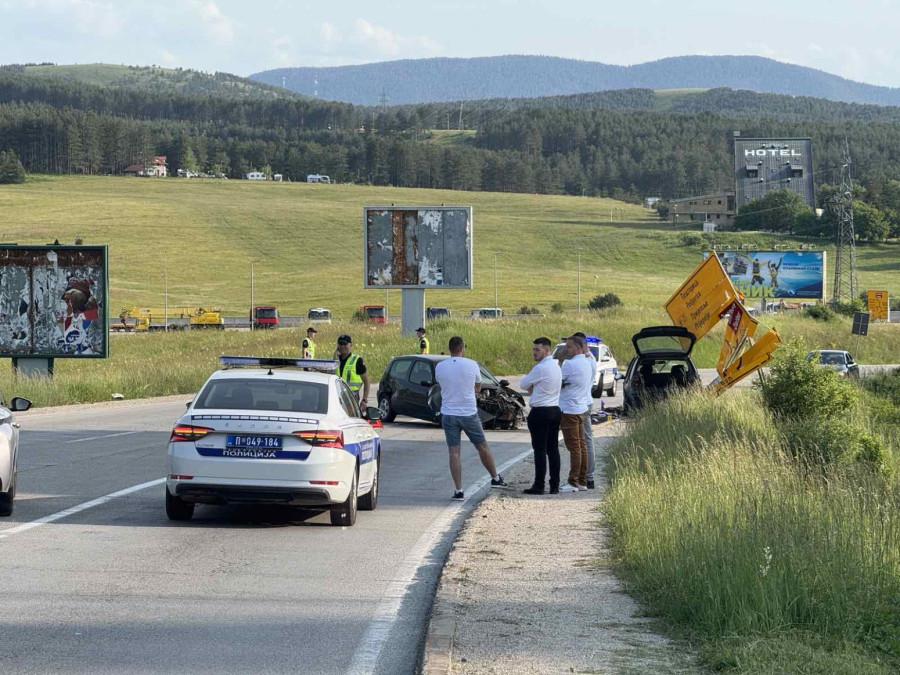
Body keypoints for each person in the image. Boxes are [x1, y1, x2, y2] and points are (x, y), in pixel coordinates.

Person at [435, 336, 509, 500]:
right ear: (462, 348)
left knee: (454, 452)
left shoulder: (440, 366)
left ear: (450, 349)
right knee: (482, 447)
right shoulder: (472, 364)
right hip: (468, 412)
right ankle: (495, 477)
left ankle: (459, 490)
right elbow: (478, 386)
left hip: (449, 413)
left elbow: (441, 385)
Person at [519, 337, 562, 495]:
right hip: (555, 410)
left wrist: (532, 384)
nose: (534, 352)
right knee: (553, 449)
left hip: (541, 412)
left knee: (540, 450)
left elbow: (523, 384)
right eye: (533, 349)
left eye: (537, 350)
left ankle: (539, 484)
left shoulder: (540, 368)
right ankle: (554, 485)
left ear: (546, 350)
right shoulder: (556, 366)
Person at [558, 334, 593, 493]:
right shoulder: (587, 361)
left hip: (569, 409)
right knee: (582, 445)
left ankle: (573, 482)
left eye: (569, 347)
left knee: (574, 447)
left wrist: (559, 361)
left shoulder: (569, 364)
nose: (566, 350)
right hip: (581, 408)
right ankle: (582, 481)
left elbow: (556, 381)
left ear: (579, 347)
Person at [573, 332, 597, 490]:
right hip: (586, 401)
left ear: (581, 346)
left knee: (583, 441)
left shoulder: (586, 360)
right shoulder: (591, 359)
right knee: (585, 440)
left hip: (582, 403)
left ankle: (587, 476)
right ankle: (588, 476)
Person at [334, 334, 370, 408]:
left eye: (345, 344)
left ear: (350, 345)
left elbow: (366, 381)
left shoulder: (357, 360)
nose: (342, 346)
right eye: (340, 344)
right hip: (336, 396)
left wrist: (364, 400)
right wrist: (334, 358)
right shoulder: (336, 359)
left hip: (352, 397)